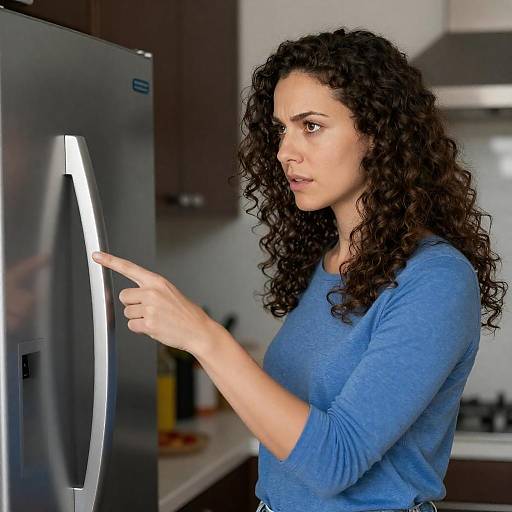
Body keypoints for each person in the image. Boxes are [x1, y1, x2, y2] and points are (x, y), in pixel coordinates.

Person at [92, 27, 508, 512]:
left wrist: (203, 338)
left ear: (376, 134)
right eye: (280, 129)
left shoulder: (435, 279)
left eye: (310, 125)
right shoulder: (329, 264)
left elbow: (334, 461)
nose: (285, 150)